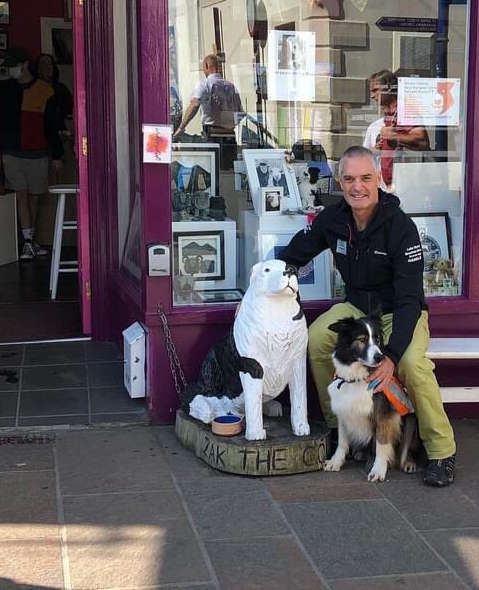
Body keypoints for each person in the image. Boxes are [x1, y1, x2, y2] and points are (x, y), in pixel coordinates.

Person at [278, 146, 457, 488]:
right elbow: (293, 254)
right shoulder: (333, 219)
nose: (356, 187)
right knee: (316, 339)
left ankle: (441, 452)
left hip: (398, 312)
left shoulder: (400, 227)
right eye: (349, 179)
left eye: (364, 178)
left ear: (378, 179)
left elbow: (409, 299)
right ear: (339, 181)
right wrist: (259, 287)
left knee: (413, 367)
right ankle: (340, 428)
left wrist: (390, 356)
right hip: (359, 309)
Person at [0, 46, 63, 261]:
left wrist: (56, 154)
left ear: (23, 65)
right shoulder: (2, 90)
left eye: (13, 66)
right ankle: (28, 241)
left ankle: (31, 239)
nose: (11, 70)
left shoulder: (45, 90)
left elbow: (51, 125)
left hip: (38, 152)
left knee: (35, 197)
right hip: (12, 150)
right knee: (21, 194)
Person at [173, 54, 243, 141]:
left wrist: (181, 127)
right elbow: (240, 113)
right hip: (229, 134)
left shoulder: (204, 84)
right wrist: (229, 125)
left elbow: (194, 105)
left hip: (212, 132)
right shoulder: (231, 86)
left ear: (206, 66)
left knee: (212, 154)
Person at [35, 52, 74, 140]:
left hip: (59, 133)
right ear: (37, 68)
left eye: (50, 64)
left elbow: (70, 109)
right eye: (43, 63)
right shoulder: (33, 89)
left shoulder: (61, 88)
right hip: (39, 134)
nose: (47, 67)